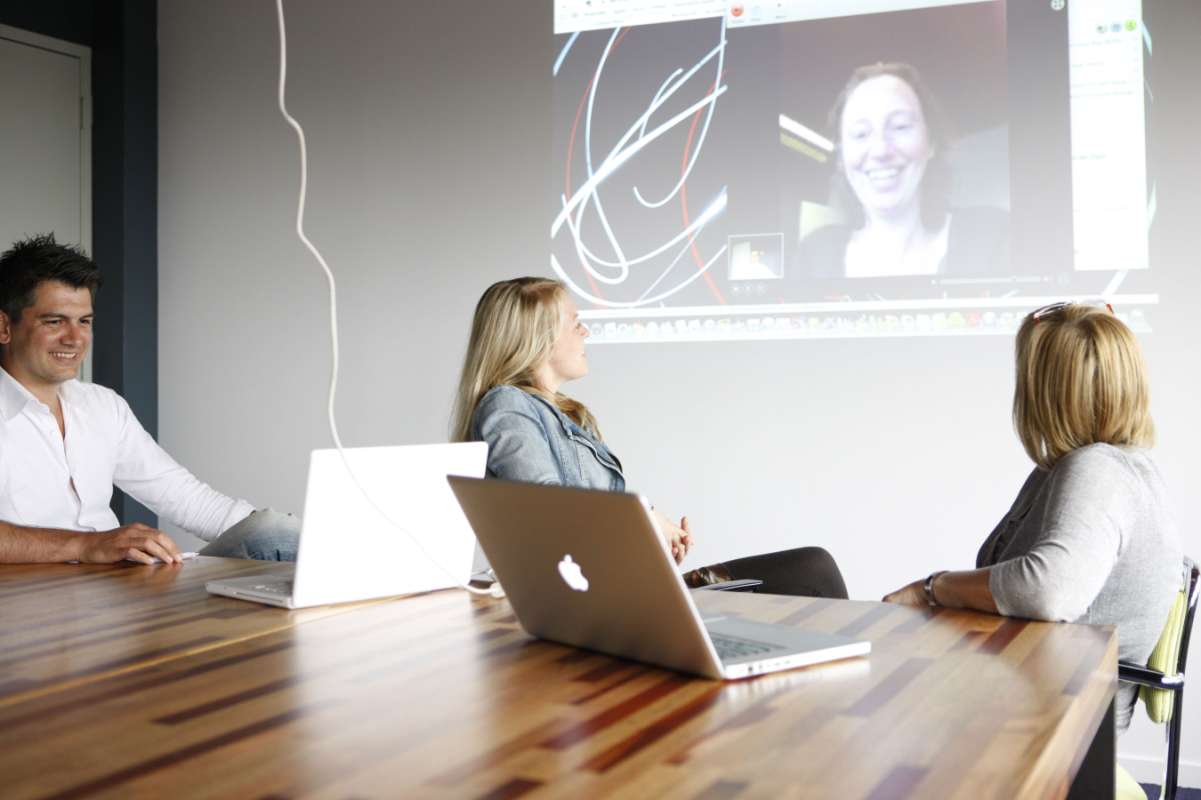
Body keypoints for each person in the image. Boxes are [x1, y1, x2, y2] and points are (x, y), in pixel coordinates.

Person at [882, 301, 1183, 732]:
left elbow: (1050, 590)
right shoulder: (1112, 468)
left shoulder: (1097, 469)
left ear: (1046, 392)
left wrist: (933, 588)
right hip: (1025, 702)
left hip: (1050, 739)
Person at [451, 276, 847, 597]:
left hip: (619, 587)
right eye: (575, 323)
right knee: (813, 570)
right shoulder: (507, 406)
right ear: (537, 337)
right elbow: (552, 515)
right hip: (596, 601)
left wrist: (646, 546)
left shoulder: (567, 414)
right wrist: (644, 519)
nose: (586, 331)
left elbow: (587, 528)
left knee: (814, 567)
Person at [0, 234, 298, 565]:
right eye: (54, 321)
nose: (74, 338)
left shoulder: (102, 406)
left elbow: (182, 496)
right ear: (4, 327)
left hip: (118, 590)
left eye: (84, 322)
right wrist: (85, 546)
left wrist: (265, 530)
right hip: (27, 599)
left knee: (271, 534)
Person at [795, 62, 1007, 279]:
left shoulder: (995, 235)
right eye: (860, 134)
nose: (880, 150)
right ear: (841, 156)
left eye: (900, 126)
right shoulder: (814, 255)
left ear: (931, 142)